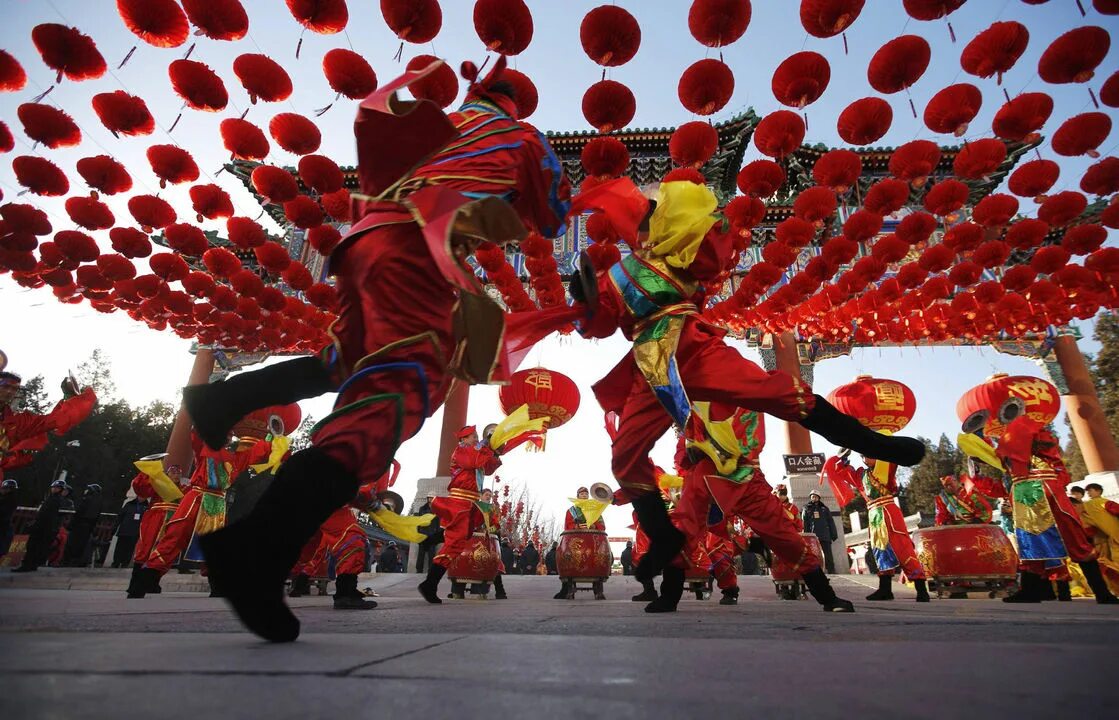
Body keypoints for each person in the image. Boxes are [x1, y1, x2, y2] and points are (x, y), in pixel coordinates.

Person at [186, 58, 572, 642]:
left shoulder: (447, 122)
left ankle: (225, 398)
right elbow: (554, 212)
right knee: (398, 389)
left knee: (347, 360)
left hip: (366, 240)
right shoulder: (520, 137)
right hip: (419, 250)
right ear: (517, 104)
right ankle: (256, 550)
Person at [571, 178, 926, 592]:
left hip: (694, 345)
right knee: (625, 456)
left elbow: (710, 253)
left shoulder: (681, 250)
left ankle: (874, 443)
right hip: (651, 363)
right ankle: (664, 537)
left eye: (652, 215)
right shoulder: (617, 274)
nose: (645, 226)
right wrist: (586, 299)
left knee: (777, 392)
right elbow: (599, 324)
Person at [673, 402, 854, 612]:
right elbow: (683, 458)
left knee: (786, 537)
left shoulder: (746, 398)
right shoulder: (694, 403)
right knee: (683, 534)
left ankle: (827, 596)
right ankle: (669, 595)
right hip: (705, 479)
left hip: (746, 477)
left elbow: (751, 442)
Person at [967, 419, 1117, 604]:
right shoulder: (1014, 457)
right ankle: (1035, 591)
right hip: (1029, 489)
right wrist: (980, 456)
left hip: (1038, 488)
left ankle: (1100, 593)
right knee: (1035, 542)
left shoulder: (1026, 431)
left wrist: (984, 444)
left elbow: (1012, 449)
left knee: (1057, 540)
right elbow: (1001, 474)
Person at [132, 435, 272, 596]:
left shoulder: (235, 459)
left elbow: (255, 452)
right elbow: (197, 436)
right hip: (197, 498)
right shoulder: (204, 450)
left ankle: (217, 587)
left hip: (217, 503)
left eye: (228, 434)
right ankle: (145, 580)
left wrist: (271, 438)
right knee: (175, 537)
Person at [823, 453, 929, 602]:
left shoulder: (884, 468)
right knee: (880, 552)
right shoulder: (862, 475)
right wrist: (841, 460)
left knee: (903, 549)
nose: (865, 459)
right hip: (874, 515)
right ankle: (885, 590)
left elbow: (890, 459)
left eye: (868, 455)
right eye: (862, 456)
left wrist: (880, 447)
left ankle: (921, 589)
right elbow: (845, 473)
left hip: (888, 512)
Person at [421, 426, 502, 602]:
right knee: (455, 542)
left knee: (463, 536)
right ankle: (429, 584)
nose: (476, 439)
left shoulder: (475, 452)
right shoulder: (461, 451)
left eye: (477, 436)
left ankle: (432, 540)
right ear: (463, 439)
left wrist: (495, 452)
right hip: (460, 502)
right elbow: (474, 461)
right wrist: (485, 445)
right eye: (473, 436)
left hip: (471, 503)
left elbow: (487, 468)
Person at [0, 371, 97, 487]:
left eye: (14, 389)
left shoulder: (18, 422)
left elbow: (53, 421)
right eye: (5, 386)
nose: (10, 392)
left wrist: (69, 399)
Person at [126, 464, 186, 598]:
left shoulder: (184, 489)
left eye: (178, 473)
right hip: (155, 519)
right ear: (167, 474)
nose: (176, 475)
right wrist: (148, 472)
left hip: (173, 521)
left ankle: (153, 583)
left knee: (164, 552)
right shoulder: (159, 484)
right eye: (173, 472)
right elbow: (142, 490)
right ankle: (135, 585)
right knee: (146, 549)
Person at [555, 486, 607, 599]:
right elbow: (568, 526)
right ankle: (566, 588)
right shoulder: (571, 511)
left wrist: (594, 526)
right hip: (575, 539)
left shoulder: (595, 510)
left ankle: (598, 589)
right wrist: (576, 526)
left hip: (592, 542)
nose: (584, 495)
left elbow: (602, 526)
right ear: (577, 496)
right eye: (581, 494)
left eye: (586, 494)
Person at [14, 479, 68, 572]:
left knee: (33, 546)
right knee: (36, 546)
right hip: (44, 526)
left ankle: (28, 565)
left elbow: (47, 515)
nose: (54, 489)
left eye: (57, 488)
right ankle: (32, 564)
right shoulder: (54, 498)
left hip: (43, 526)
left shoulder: (56, 500)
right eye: (54, 487)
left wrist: (38, 523)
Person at [1076, 483, 1119, 594]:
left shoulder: (1102, 503)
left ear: (1098, 491)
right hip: (1105, 542)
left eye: (1091, 490)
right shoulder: (1088, 507)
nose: (1089, 493)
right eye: (1088, 491)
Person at [63, 483, 103, 567]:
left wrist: (71, 524)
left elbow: (79, 512)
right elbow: (97, 517)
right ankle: (77, 561)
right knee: (82, 544)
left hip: (79, 525)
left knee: (72, 544)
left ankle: (68, 561)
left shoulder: (86, 500)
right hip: (88, 527)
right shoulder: (99, 502)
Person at [802, 491, 837, 574]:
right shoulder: (806, 508)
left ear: (819, 498)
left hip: (825, 535)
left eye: (816, 496)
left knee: (828, 554)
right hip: (813, 537)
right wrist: (806, 537)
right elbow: (805, 523)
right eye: (812, 496)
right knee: (814, 555)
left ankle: (831, 570)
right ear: (810, 498)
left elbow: (831, 522)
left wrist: (834, 534)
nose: (814, 498)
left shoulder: (824, 508)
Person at [111, 492, 148, 568]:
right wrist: (115, 526)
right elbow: (120, 516)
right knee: (119, 547)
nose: (141, 498)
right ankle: (116, 562)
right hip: (124, 529)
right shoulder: (129, 504)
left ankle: (125, 563)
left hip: (135, 531)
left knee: (130, 548)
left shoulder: (147, 507)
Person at [414, 493, 440, 573]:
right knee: (421, 554)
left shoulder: (437, 510)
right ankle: (419, 570)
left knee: (431, 554)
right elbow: (418, 522)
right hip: (423, 534)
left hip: (432, 535)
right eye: (429, 497)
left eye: (432, 498)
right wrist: (418, 533)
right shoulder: (422, 509)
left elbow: (438, 524)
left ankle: (431, 570)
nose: (430, 499)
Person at [0, 479, 19, 559]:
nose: (1, 490)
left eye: (3, 488)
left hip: (3, 526)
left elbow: (3, 512)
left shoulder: (9, 500)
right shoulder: (6, 498)